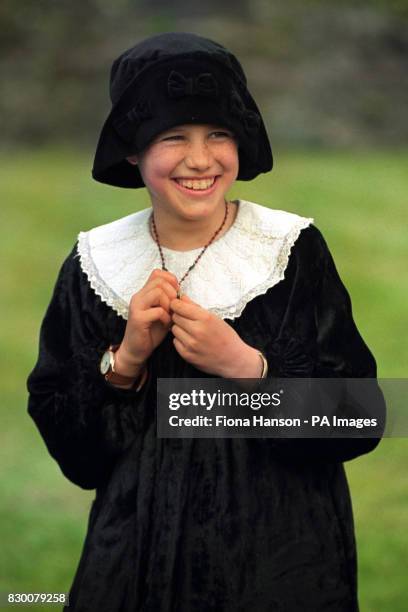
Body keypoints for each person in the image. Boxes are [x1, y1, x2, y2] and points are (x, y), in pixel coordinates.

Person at [27, 32, 384, 611]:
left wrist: (248, 368)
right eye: (173, 137)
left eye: (218, 134)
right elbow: (77, 457)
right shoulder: (96, 264)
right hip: (134, 564)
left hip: (279, 563)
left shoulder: (289, 250)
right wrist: (125, 361)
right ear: (132, 151)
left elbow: (363, 416)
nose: (200, 158)